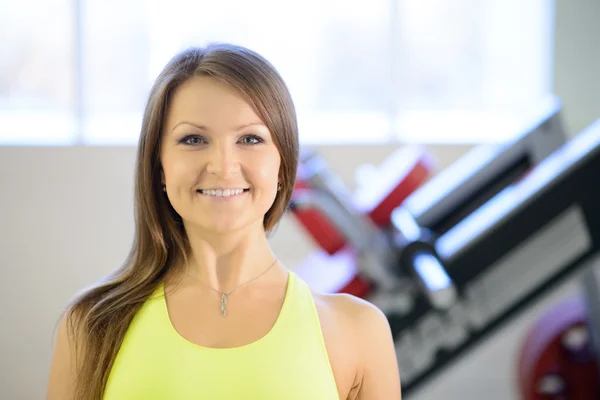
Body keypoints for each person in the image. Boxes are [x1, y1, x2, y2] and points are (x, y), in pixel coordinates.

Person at [46, 43, 401, 400]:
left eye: (250, 138)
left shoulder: (358, 331)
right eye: (194, 139)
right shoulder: (92, 325)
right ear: (159, 168)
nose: (223, 165)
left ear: (283, 165)